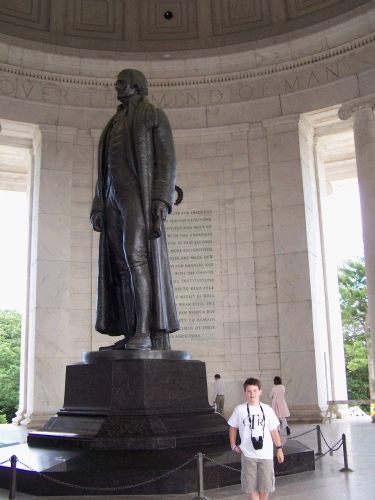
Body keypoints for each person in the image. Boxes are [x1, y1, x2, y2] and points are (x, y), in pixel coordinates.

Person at [90, 68, 179, 351]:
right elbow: (102, 171)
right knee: (120, 266)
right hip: (112, 197)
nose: (116, 86)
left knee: (137, 258)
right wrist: (98, 205)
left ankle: (144, 331)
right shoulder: (113, 123)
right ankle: (130, 333)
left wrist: (161, 201)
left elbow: (167, 161)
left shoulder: (153, 115)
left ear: (136, 86)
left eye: (121, 82)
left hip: (137, 198)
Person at [228, 377, 284, 500]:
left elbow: (274, 430)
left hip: (266, 454)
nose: (252, 394)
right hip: (248, 454)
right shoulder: (240, 409)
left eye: (254, 390)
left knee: (265, 487)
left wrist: (279, 448)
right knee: (251, 487)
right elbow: (233, 427)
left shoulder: (267, 409)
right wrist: (233, 445)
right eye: (249, 391)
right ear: (244, 393)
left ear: (260, 392)